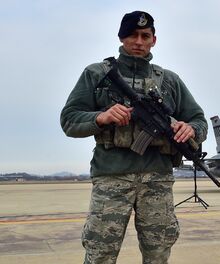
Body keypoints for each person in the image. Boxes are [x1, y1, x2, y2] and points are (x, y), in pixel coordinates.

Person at [60, 11, 208, 263]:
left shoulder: (169, 81)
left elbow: (199, 120)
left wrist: (190, 129)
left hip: (158, 180)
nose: (138, 41)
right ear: (121, 37)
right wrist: (101, 117)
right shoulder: (97, 74)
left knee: (158, 253)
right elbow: (69, 119)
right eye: (132, 35)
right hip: (111, 176)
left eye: (145, 36)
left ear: (154, 40)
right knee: (100, 253)